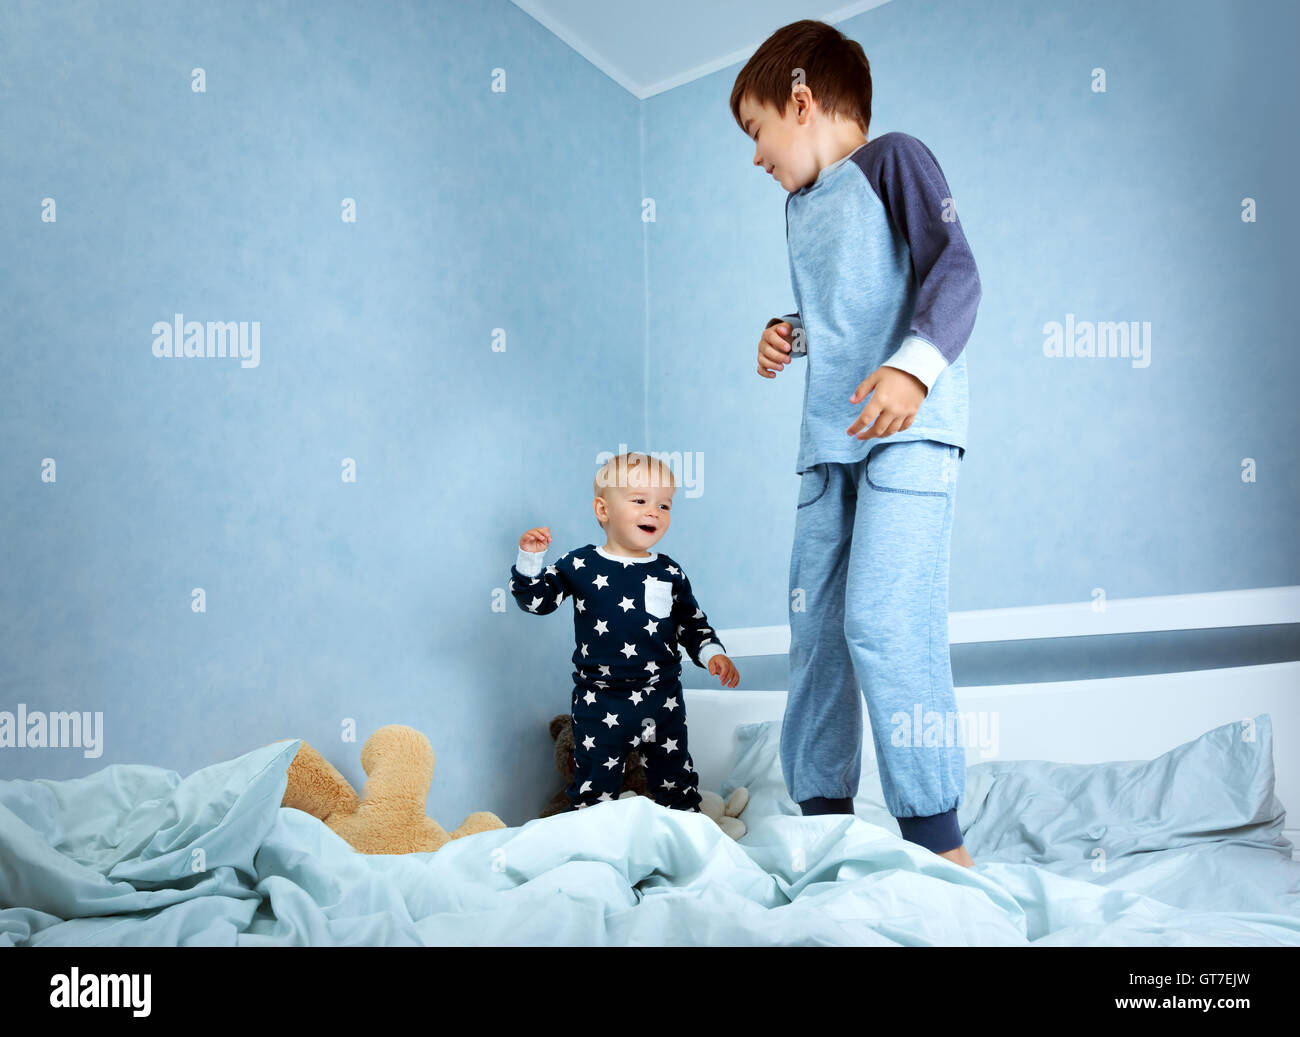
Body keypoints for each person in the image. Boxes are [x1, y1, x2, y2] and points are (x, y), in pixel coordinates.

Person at [731, 20, 981, 867]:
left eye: (758, 130)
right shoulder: (798, 210)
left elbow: (953, 272)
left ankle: (939, 841)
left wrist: (913, 371)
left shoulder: (896, 161)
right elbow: (848, 311)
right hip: (826, 446)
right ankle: (825, 826)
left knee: (885, 617)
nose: (757, 156)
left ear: (802, 100)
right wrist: (787, 333)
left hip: (907, 431)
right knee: (819, 629)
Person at [509, 451, 740, 812]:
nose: (654, 512)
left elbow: (691, 622)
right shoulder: (581, 564)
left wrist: (713, 653)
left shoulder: (669, 571)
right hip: (601, 700)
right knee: (593, 789)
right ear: (603, 510)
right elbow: (537, 601)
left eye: (664, 506)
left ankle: (687, 841)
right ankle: (595, 851)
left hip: (661, 698)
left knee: (675, 781)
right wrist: (530, 560)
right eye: (640, 501)